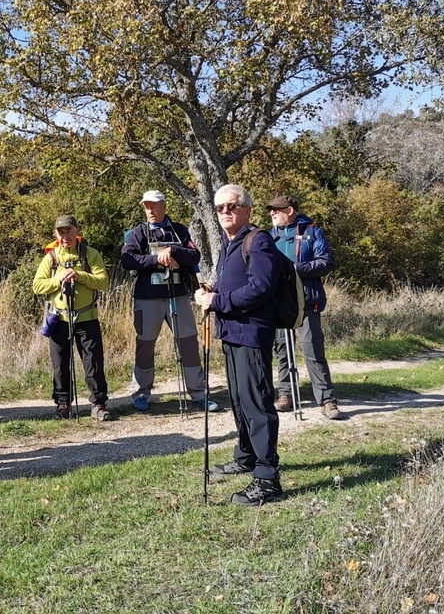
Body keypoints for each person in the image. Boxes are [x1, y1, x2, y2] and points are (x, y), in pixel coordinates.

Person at [194, 185, 285, 506]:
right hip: (231, 333)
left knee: (257, 404)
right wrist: (213, 291)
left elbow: (261, 287)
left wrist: (218, 300)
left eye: (232, 206)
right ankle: (246, 455)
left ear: (247, 209)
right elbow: (235, 285)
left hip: (251, 334)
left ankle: (267, 478)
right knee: (239, 399)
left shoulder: (257, 240)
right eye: (220, 208)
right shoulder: (229, 245)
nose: (225, 212)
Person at [121, 190, 222, 413]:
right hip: (147, 299)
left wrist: (174, 251)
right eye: (146, 206)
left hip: (177, 296)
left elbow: (194, 256)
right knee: (145, 345)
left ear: (164, 205)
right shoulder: (138, 232)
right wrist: (156, 258)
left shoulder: (179, 230)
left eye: (154, 206)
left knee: (188, 343)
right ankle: (141, 392)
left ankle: (198, 393)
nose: (150, 210)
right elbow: (127, 259)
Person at [267, 196, 343, 420]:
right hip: (280, 303)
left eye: (276, 210)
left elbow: (325, 263)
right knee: (283, 351)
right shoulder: (270, 236)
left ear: (289, 210)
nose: (272, 213)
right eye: (271, 210)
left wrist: (294, 268)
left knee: (313, 352)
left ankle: (327, 400)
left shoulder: (313, 232)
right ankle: (286, 395)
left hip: (307, 302)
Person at [32, 215, 113, 421]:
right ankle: (62, 404)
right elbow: (37, 286)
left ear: (77, 231)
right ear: (55, 234)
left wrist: (80, 276)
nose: (65, 235)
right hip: (59, 319)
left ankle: (99, 404)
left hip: (87, 317)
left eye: (69, 230)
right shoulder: (50, 258)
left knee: (93, 362)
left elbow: (103, 282)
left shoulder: (90, 254)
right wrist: (58, 279)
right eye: (61, 232)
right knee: (60, 364)